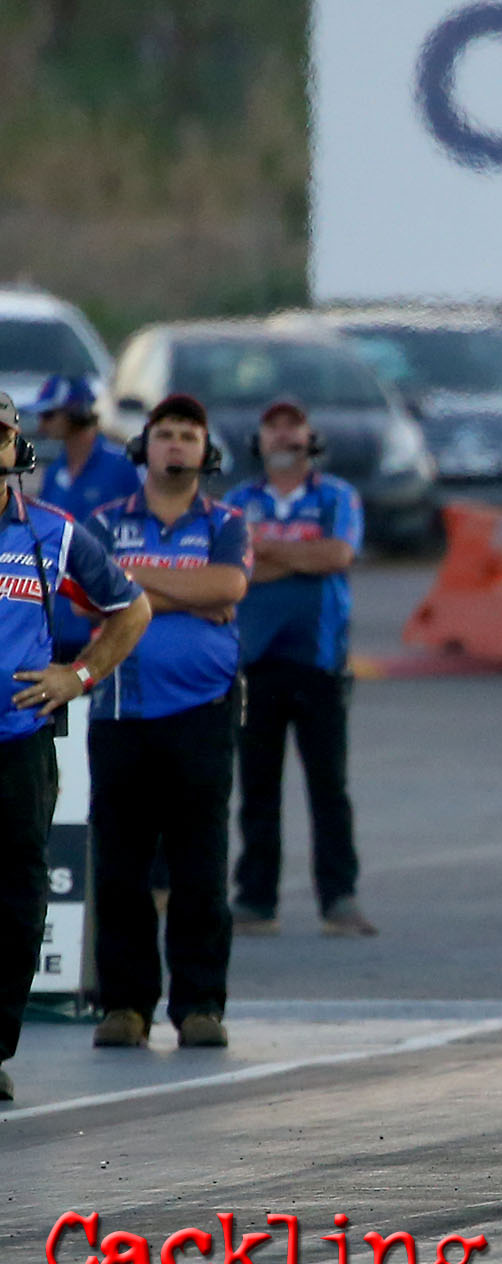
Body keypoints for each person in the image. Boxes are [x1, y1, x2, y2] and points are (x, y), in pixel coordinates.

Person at [83, 394, 251, 1050]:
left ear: (206, 452)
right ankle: (125, 1005)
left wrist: (135, 583)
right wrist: (189, 592)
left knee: (199, 865)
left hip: (203, 711)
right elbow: (91, 597)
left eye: (188, 434)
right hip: (120, 710)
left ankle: (200, 1004)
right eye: (165, 433)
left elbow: (229, 588)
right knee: (120, 866)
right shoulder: (103, 521)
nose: (176, 443)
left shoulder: (226, 522)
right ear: (143, 447)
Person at [0, 393, 151, 1099]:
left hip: (18, 744)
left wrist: (79, 675)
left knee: (15, 899)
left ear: (16, 449)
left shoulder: (51, 533)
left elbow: (131, 608)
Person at [222, 398, 374, 937]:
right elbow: (234, 569)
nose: (284, 436)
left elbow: (337, 556)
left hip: (320, 661)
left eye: (294, 428)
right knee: (257, 787)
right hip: (255, 660)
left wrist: (269, 551)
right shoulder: (239, 501)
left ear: (311, 439)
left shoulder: (336, 496)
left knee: (329, 786)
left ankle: (339, 898)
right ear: (258, 441)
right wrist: (298, 556)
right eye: (273, 428)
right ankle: (255, 900)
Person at [23, 376, 140, 661]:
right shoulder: (56, 470)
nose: (41, 424)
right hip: (59, 617)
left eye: (49, 415)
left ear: (75, 413)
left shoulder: (121, 467)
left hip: (101, 615)